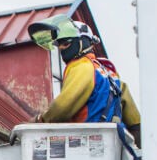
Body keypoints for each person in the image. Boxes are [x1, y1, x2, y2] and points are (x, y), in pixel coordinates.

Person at [27, 15, 142, 146]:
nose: (61, 48)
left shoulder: (81, 66)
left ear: (83, 42)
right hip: (112, 146)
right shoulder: (110, 74)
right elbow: (136, 123)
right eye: (59, 45)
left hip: (85, 144)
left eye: (66, 43)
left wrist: (39, 121)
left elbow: (63, 106)